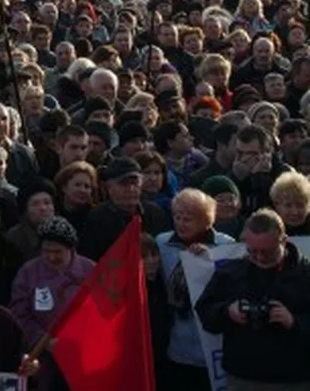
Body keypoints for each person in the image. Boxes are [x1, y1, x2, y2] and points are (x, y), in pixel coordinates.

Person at [196, 209, 310, 388]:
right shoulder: (230, 272)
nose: (259, 257)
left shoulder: (305, 274)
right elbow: (205, 312)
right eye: (252, 251)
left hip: (294, 377)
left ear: (283, 241)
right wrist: (227, 312)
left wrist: (294, 322)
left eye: (267, 252)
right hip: (242, 376)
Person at [155, 188, 235, 388]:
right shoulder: (163, 242)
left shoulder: (226, 245)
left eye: (187, 219)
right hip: (178, 344)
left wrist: (207, 260)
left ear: (205, 220)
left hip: (213, 345)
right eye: (177, 217)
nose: (180, 224)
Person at [8, 217, 93, 390]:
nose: (51, 257)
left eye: (58, 252)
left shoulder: (90, 271)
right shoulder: (29, 272)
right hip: (43, 359)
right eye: (46, 251)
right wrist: (44, 341)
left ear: (70, 249)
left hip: (82, 357)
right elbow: (19, 313)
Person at [80, 157, 169, 261]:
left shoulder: (155, 213)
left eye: (135, 183)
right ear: (108, 187)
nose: (131, 189)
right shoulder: (97, 218)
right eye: (124, 184)